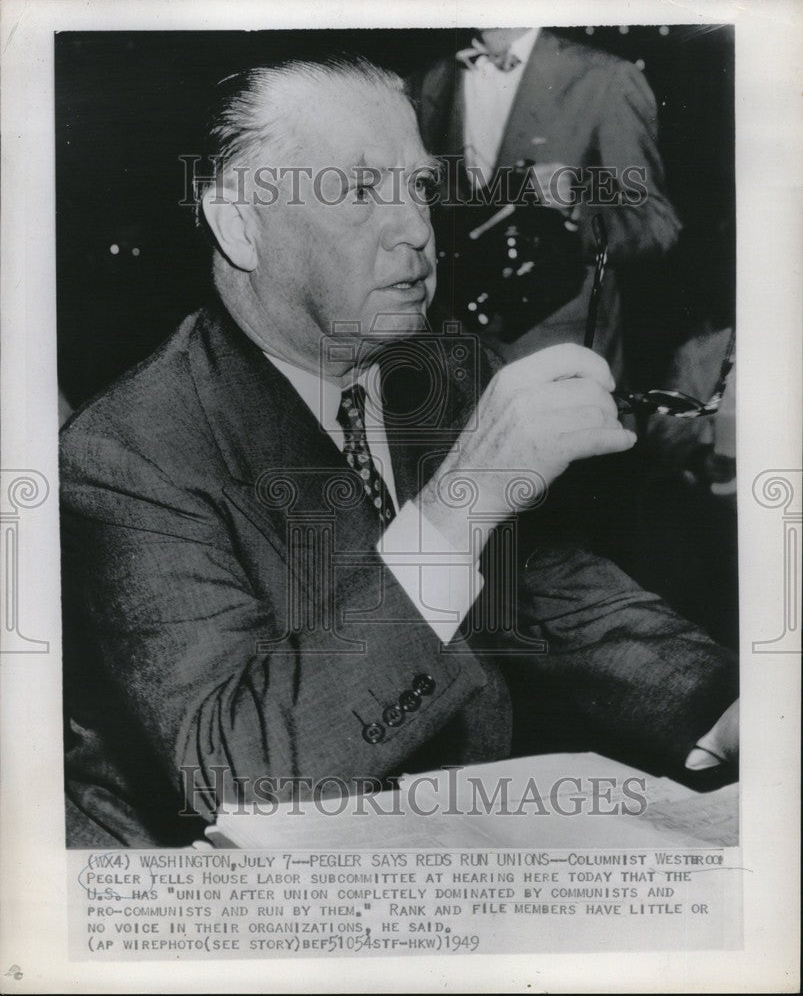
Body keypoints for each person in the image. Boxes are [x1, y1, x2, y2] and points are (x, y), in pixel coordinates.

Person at [60, 58, 737, 848]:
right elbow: (236, 776)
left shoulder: (445, 372)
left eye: (417, 187)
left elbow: (558, 596)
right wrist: (462, 501)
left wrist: (731, 709)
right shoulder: (129, 452)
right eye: (359, 190)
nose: (418, 229)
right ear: (240, 225)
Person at [408, 27, 682, 372]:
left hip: (558, 362)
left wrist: (575, 206)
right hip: (452, 363)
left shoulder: (605, 78)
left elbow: (656, 222)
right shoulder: (425, 83)